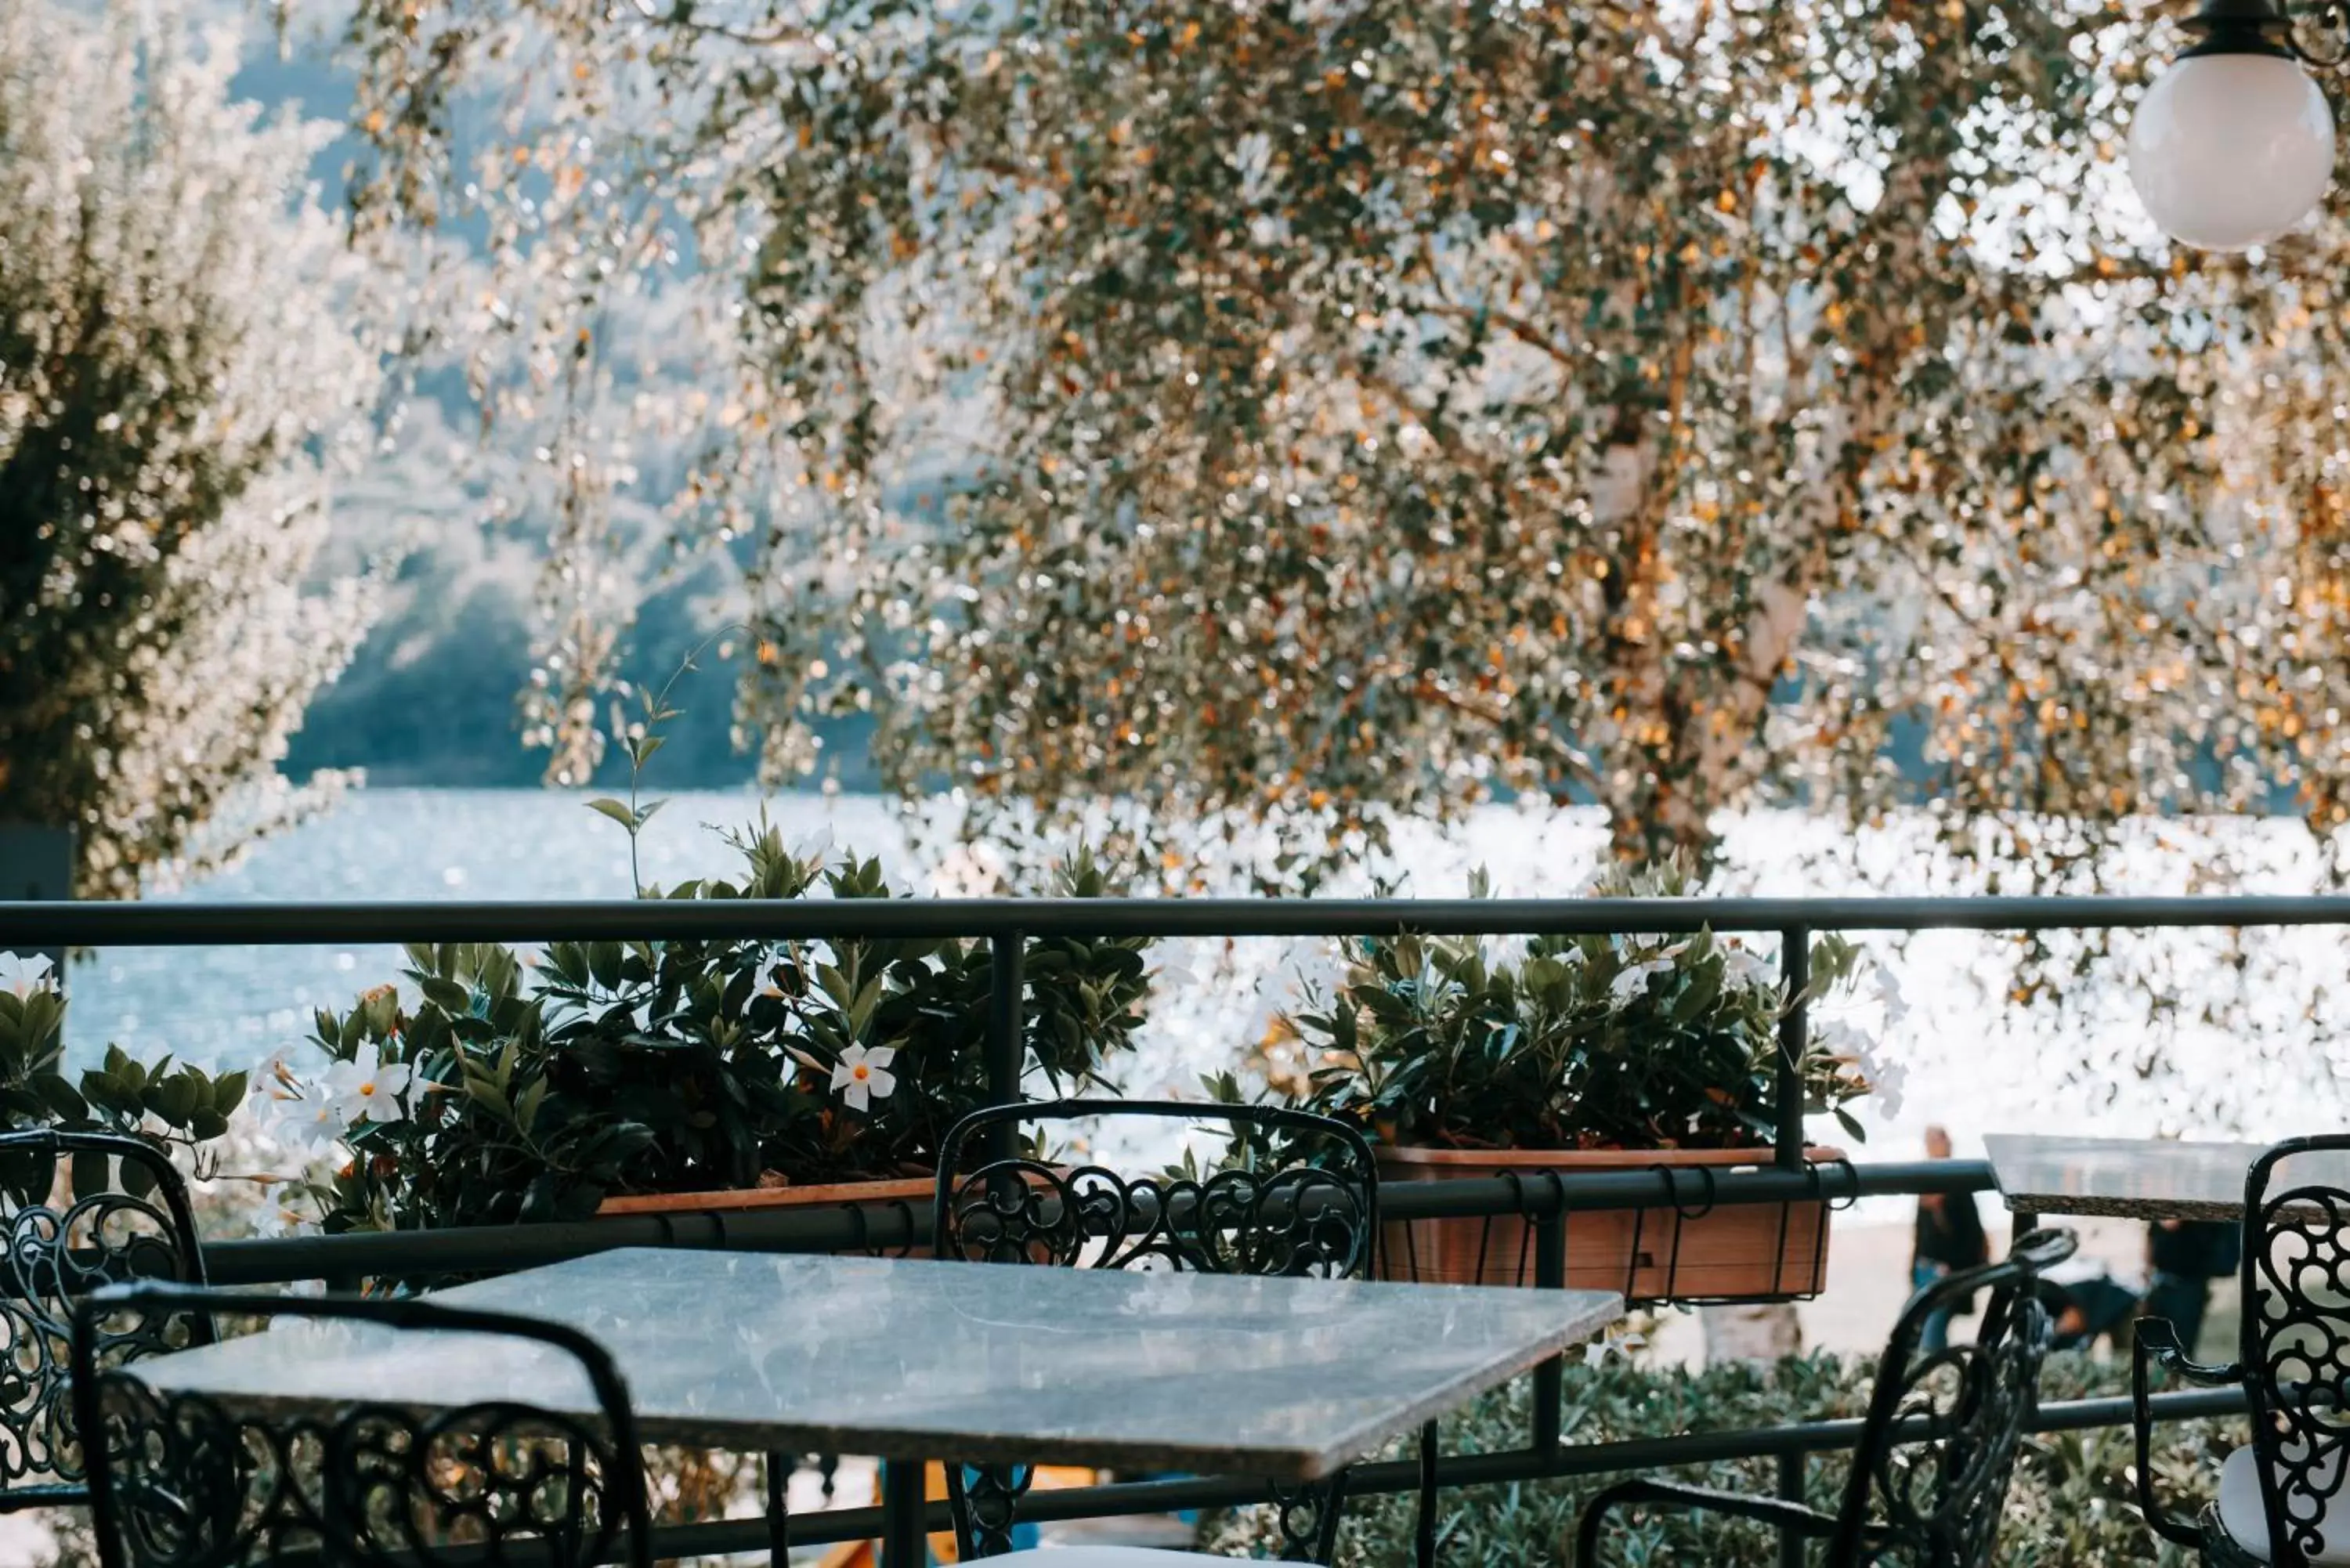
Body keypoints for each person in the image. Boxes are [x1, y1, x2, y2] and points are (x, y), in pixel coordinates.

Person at [1911, 1125, 1989, 1353]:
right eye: (1931, 1142)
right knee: (1914, 1326)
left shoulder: (1958, 1183)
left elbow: (1972, 1234)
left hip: (1947, 1270)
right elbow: (1920, 1233)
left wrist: (1956, 1268)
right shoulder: (1926, 1182)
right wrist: (1912, 1268)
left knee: (1932, 1329)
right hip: (1927, 1267)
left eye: (1939, 1141)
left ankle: (1933, 1373)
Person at [2144, 1217, 2240, 1357]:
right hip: (2163, 1279)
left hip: (2188, 1283)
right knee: (2155, 1345)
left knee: (2180, 1347)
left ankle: (2171, 1377)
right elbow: (2153, 1233)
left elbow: (2171, 1223)